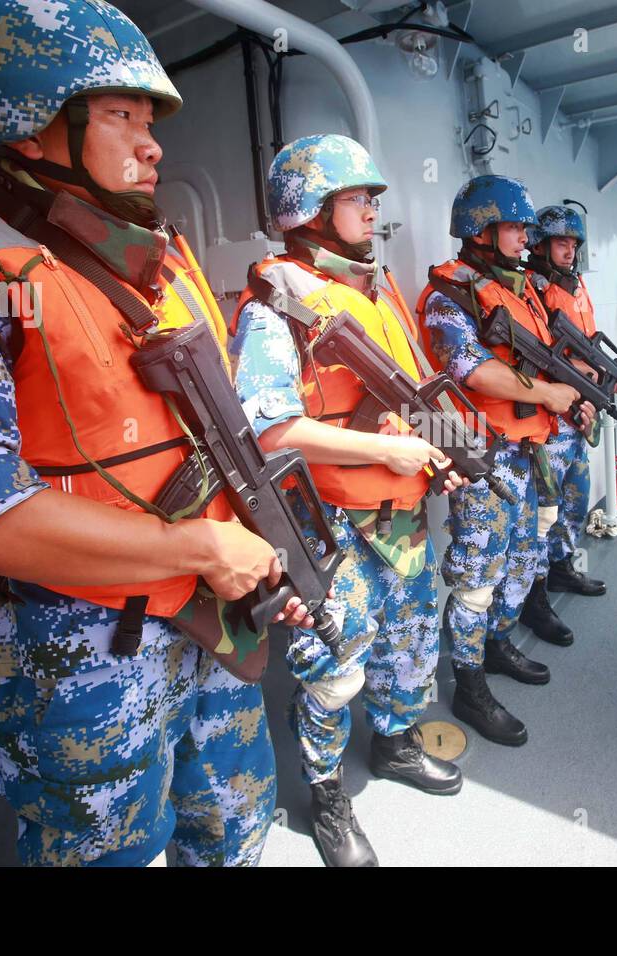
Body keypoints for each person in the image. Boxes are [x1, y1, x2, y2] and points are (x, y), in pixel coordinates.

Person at [0, 0, 313, 866]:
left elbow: (223, 442)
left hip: (213, 623)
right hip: (85, 656)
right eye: (120, 114)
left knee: (237, 832)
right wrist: (207, 549)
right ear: (29, 125)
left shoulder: (158, 258)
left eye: (148, 117)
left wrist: (255, 560)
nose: (153, 141)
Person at [228, 133, 467, 867]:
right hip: (329, 520)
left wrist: (437, 453)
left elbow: (407, 389)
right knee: (336, 667)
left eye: (370, 199)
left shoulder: (375, 287)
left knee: (411, 641)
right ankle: (326, 792)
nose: (372, 212)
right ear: (311, 210)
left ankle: (394, 742)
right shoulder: (275, 304)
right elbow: (267, 429)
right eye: (358, 199)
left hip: (400, 507)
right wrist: (388, 450)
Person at [417, 175, 595, 746]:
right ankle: (468, 682)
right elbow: (469, 368)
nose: (526, 237)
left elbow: (545, 365)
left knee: (521, 556)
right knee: (476, 574)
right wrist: (546, 396)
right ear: (482, 230)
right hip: (482, 456)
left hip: (524, 450)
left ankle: (495, 644)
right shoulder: (451, 294)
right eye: (515, 227)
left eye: (524, 228)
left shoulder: (518, 290)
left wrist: (573, 402)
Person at [525, 204, 617, 605]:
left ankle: (563, 567)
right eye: (559, 243)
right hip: (550, 417)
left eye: (573, 244)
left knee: (576, 497)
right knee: (543, 511)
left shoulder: (575, 285)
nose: (568, 251)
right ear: (540, 244)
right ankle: (534, 594)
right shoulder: (532, 287)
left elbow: (587, 342)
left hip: (579, 415)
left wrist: (605, 378)